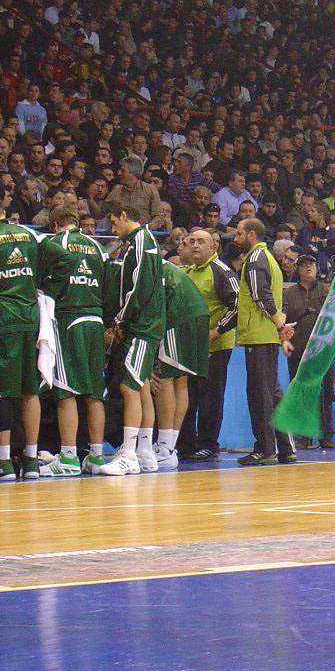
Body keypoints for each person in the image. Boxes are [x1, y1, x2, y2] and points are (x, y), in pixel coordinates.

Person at [0, 192, 72, 481]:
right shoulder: (30, 234)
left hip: (1, 317)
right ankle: (31, 460)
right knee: (30, 389)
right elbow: (65, 260)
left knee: (1, 389)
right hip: (31, 316)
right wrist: (45, 290)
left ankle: (3, 462)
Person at [39, 206, 112, 476]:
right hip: (96, 320)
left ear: (55, 224)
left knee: (65, 390)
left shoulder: (55, 243)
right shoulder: (98, 248)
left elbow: (45, 282)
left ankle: (68, 458)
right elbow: (109, 289)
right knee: (95, 392)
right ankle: (96, 457)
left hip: (69, 318)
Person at [103, 199, 166, 476]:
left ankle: (128, 454)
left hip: (142, 327)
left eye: (113, 222)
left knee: (128, 388)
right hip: (146, 326)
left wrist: (120, 319)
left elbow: (138, 287)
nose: (112, 228)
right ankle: (145, 451)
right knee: (140, 388)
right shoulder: (143, 241)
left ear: (124, 214)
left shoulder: (141, 241)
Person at [234, 217, 294, 466]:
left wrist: (279, 325)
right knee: (272, 392)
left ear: (251, 235)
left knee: (259, 395)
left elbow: (261, 295)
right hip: (267, 335)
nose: (235, 238)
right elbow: (280, 298)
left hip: (259, 335)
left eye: (239, 233)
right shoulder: (269, 259)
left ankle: (265, 449)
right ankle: (285, 448)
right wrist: (280, 325)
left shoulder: (254, 259)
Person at [179, 229, 239, 461]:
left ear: (213, 246)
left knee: (210, 397)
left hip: (215, 346)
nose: (195, 245)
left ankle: (208, 444)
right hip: (190, 347)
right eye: (192, 241)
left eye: (201, 242)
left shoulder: (221, 271)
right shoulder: (188, 271)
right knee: (189, 395)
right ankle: (185, 444)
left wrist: (217, 331)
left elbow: (237, 305)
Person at [153, 258, 211, 469]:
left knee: (165, 378)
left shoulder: (145, 266)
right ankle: (170, 446)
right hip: (198, 314)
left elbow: (148, 312)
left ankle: (164, 448)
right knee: (181, 380)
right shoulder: (165, 266)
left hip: (179, 316)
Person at [283, 253, 335, 449]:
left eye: (311, 263)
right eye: (304, 264)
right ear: (297, 269)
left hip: (323, 352)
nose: (308, 267)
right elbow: (283, 318)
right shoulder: (289, 294)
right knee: (301, 394)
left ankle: (326, 435)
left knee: (326, 394)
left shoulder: (326, 290)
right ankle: (304, 436)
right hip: (298, 351)